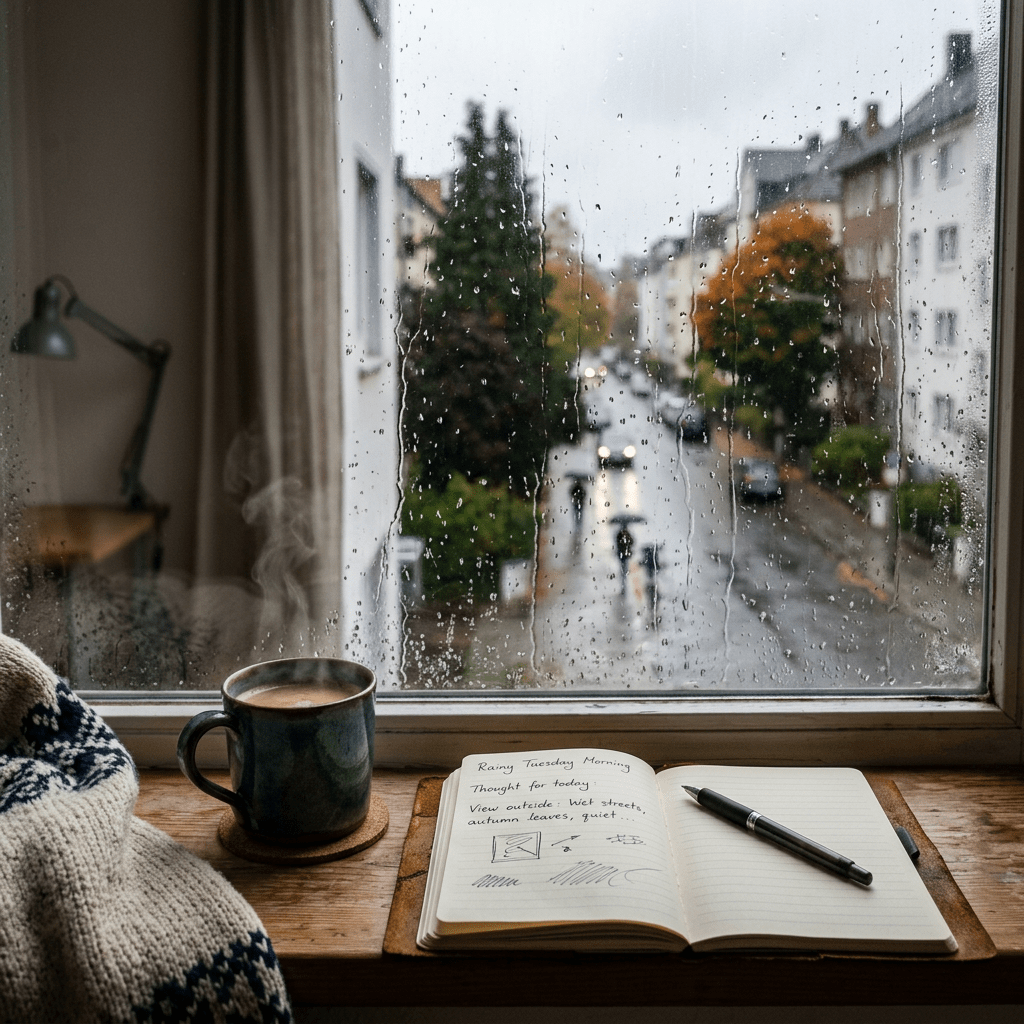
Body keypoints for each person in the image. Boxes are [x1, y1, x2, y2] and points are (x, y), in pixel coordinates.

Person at [615, 525, 633, 591]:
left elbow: (632, 542)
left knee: (624, 568)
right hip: (622, 555)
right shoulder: (620, 535)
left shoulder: (627, 534)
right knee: (623, 568)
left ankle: (624, 584)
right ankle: (623, 584)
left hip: (624, 555)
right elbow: (618, 544)